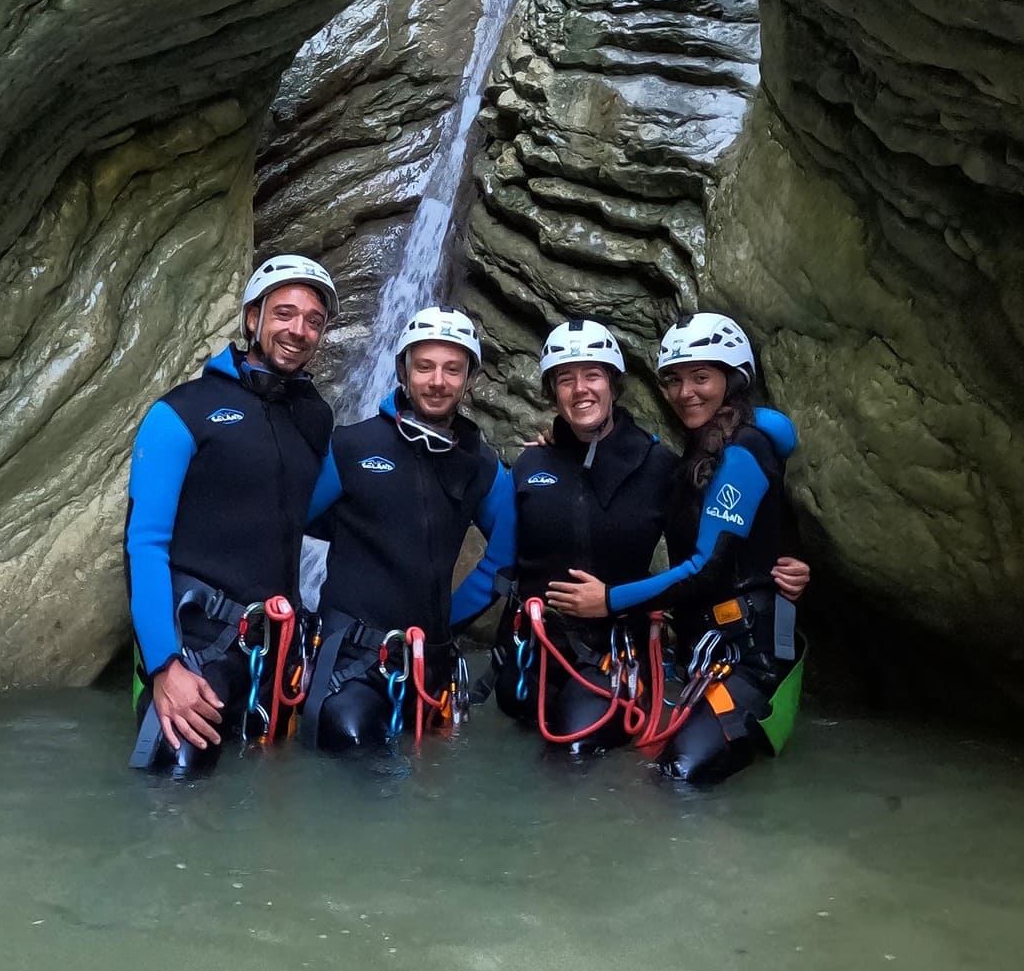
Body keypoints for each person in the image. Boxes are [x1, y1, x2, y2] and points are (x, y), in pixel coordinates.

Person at [546, 313, 810, 785]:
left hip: (752, 661)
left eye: (702, 377)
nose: (685, 391)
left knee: (678, 777)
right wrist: (559, 443)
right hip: (707, 651)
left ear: (734, 380)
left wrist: (606, 601)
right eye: (674, 380)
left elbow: (706, 567)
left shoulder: (744, 450)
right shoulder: (704, 450)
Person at [124, 253, 337, 775]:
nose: (298, 330)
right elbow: (143, 543)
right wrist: (163, 665)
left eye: (314, 320)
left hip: (275, 653)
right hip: (194, 644)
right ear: (252, 318)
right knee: (177, 780)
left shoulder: (316, 417)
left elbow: (313, 511)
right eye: (284, 313)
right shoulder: (182, 411)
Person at [300, 306, 514, 751]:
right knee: (360, 755)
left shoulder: (480, 464)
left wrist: (447, 620)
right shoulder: (351, 446)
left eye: (452, 369)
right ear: (403, 371)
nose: (438, 380)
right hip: (350, 662)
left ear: (469, 379)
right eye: (425, 366)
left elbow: (509, 553)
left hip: (429, 665)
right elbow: (287, 523)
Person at [494, 319, 678, 749]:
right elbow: (500, 563)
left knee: (572, 747)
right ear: (552, 392)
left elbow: (699, 567)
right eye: (566, 379)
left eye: (592, 375)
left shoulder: (658, 468)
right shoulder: (532, 466)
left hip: (613, 652)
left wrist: (784, 560)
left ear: (613, 385)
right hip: (535, 651)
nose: (580, 390)